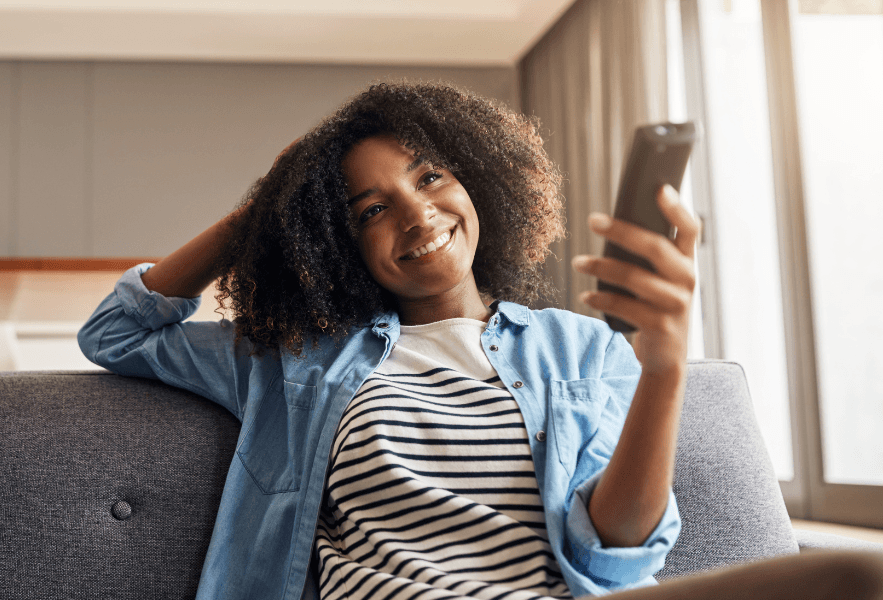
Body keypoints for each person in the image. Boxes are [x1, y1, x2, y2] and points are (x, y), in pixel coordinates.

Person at [78, 81, 883, 600]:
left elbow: (616, 553)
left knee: (857, 576)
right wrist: (264, 206)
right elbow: (117, 331)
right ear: (339, 243)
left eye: (429, 177)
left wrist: (663, 369)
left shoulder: (582, 350)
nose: (417, 213)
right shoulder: (295, 358)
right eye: (369, 210)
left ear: (475, 178)